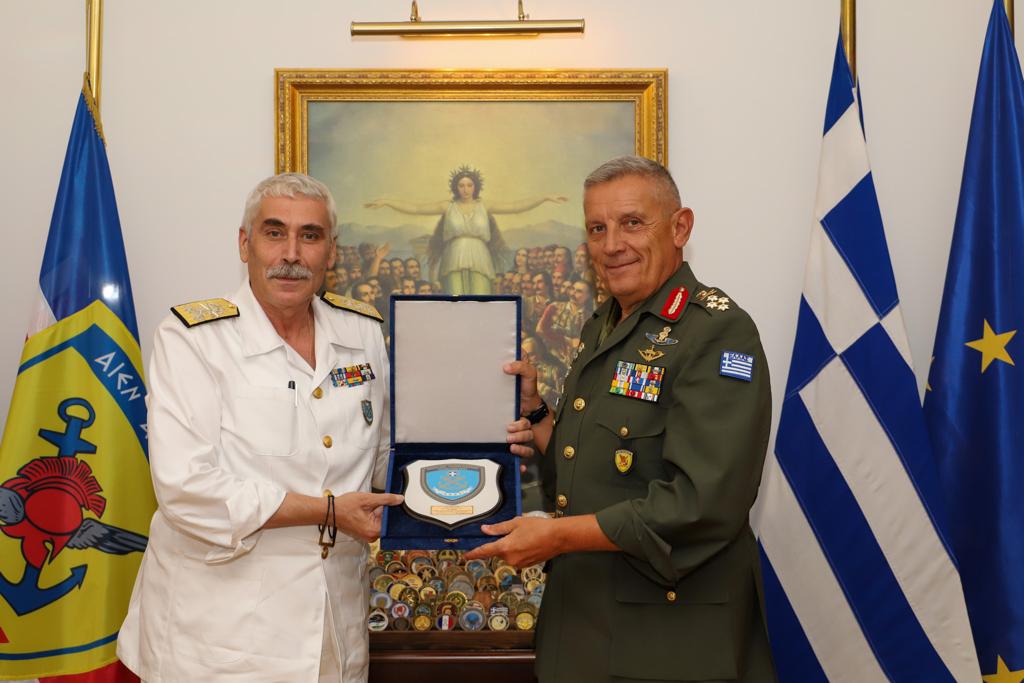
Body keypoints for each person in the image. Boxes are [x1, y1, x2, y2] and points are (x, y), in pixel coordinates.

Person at [116, 173, 532, 682]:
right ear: (245, 244)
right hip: (219, 638)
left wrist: (481, 456)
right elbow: (186, 489)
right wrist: (330, 512)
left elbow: (385, 457)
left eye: (310, 236)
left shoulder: (360, 331)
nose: (291, 254)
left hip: (335, 629)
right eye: (274, 233)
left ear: (331, 251)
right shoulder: (194, 339)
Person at [466, 156, 776, 682]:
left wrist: (557, 537)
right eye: (597, 228)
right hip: (583, 629)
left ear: (680, 228)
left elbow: (702, 504)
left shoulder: (716, 332)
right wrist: (538, 415)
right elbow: (595, 470)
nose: (612, 244)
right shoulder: (604, 325)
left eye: (632, 223)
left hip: (669, 645)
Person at [364, 166, 566, 295]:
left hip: (480, 257)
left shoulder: (485, 205)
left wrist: (544, 197)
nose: (466, 189)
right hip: (454, 257)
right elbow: (416, 208)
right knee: (456, 298)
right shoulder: (447, 206)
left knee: (481, 298)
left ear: (475, 187)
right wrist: (388, 201)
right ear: (456, 187)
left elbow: (515, 206)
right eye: (461, 185)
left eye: (469, 185)